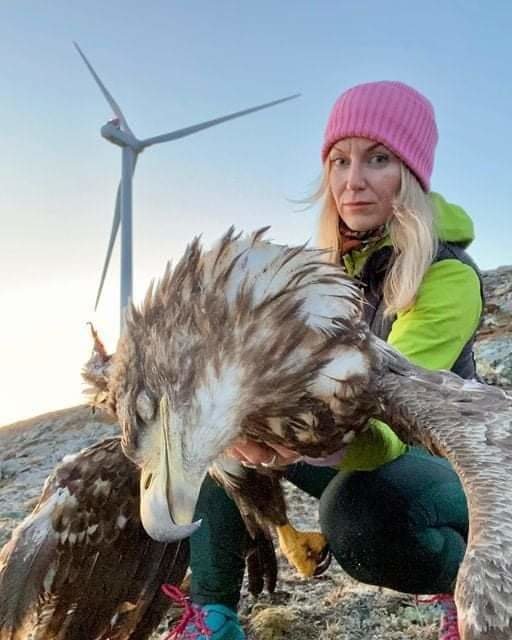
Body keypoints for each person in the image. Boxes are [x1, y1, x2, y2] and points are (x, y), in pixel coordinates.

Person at [165, 81, 483, 640]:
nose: (351, 182)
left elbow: (389, 418)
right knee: (211, 431)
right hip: (349, 448)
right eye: (339, 161)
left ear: (409, 173)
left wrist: (289, 443)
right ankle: (212, 619)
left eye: (377, 159)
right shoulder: (322, 278)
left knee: (360, 522)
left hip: (441, 462)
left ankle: (473, 587)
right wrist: (250, 437)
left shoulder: (447, 276)